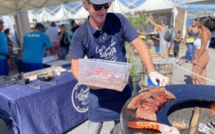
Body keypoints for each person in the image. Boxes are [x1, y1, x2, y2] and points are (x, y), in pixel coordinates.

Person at [70, 0, 169, 134]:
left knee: (122, 128)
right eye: (98, 6)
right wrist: (93, 83)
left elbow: (139, 44)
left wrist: (152, 72)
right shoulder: (80, 34)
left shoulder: (118, 20)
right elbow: (76, 68)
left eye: (106, 5)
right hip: (98, 98)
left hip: (122, 93)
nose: (103, 11)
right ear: (85, 4)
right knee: (93, 130)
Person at [191, 17, 211, 85]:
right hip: (203, 54)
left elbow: (203, 47)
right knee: (202, 75)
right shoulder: (204, 30)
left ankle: (196, 92)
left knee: (195, 75)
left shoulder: (205, 32)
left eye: (198, 22)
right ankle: (202, 90)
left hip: (201, 55)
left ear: (201, 23)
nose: (197, 23)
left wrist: (196, 59)